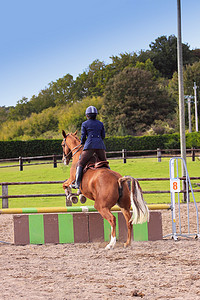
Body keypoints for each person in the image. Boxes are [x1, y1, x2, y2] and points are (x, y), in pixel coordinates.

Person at [72, 105, 107, 194]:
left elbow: (83, 137)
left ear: (87, 115)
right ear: (96, 115)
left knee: (80, 163)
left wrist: (82, 143)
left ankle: (77, 183)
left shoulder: (84, 124)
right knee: (104, 162)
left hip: (89, 146)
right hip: (100, 146)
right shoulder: (100, 123)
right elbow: (103, 136)